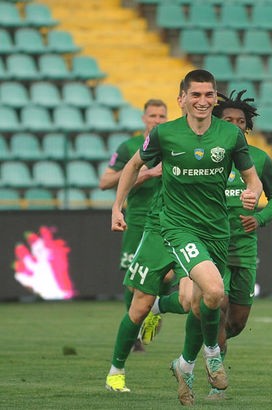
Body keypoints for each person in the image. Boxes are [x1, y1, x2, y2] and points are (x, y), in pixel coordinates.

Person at [108, 69, 262, 405]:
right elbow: (132, 166)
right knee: (216, 291)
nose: (202, 101)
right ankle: (212, 353)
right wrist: (118, 207)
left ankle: (184, 365)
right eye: (196, 95)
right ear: (182, 99)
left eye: (208, 95)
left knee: (198, 303)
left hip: (216, 230)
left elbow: (252, 178)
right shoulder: (165, 134)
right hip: (178, 227)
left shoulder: (230, 136)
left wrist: (253, 192)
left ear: (215, 98)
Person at [211, 89, 272, 399]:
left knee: (236, 323)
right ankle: (215, 378)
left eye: (240, 121)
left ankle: (209, 342)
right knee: (218, 304)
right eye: (228, 120)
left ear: (247, 126)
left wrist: (260, 218)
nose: (236, 125)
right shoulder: (207, 155)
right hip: (214, 245)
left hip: (245, 248)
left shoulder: (260, 159)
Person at [99, 98, 168, 352]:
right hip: (137, 219)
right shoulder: (130, 147)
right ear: (144, 118)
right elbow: (105, 182)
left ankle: (155, 311)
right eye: (153, 116)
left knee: (168, 275)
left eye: (161, 116)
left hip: (167, 218)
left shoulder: (171, 144)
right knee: (132, 277)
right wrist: (148, 173)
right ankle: (134, 335)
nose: (157, 120)